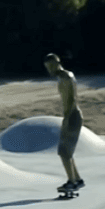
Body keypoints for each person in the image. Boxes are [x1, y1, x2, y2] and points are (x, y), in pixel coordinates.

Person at [43, 53, 85, 192]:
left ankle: (71, 183)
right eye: (47, 67)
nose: (49, 70)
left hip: (72, 116)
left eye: (51, 66)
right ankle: (77, 180)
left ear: (57, 63)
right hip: (73, 115)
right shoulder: (66, 75)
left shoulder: (65, 77)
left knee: (64, 152)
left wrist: (67, 119)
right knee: (67, 152)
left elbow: (71, 100)